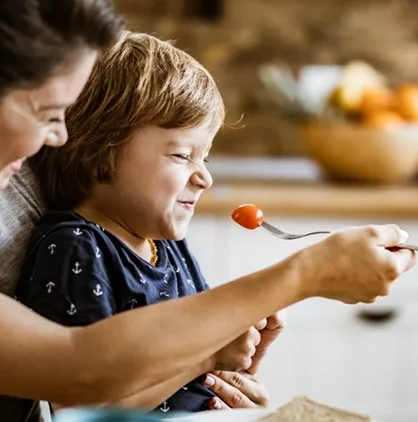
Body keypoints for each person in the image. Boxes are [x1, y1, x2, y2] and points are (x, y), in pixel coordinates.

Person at [0, 0, 417, 421]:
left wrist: (201, 351)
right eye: (46, 112)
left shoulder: (2, 158)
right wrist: (302, 274)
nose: (61, 138)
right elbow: (74, 367)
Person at [17, 31, 277, 414]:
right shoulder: (77, 249)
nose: (204, 177)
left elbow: (205, 376)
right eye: (181, 155)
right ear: (99, 152)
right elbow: (85, 408)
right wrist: (207, 355)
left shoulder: (167, 246)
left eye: (204, 157)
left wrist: (250, 348)